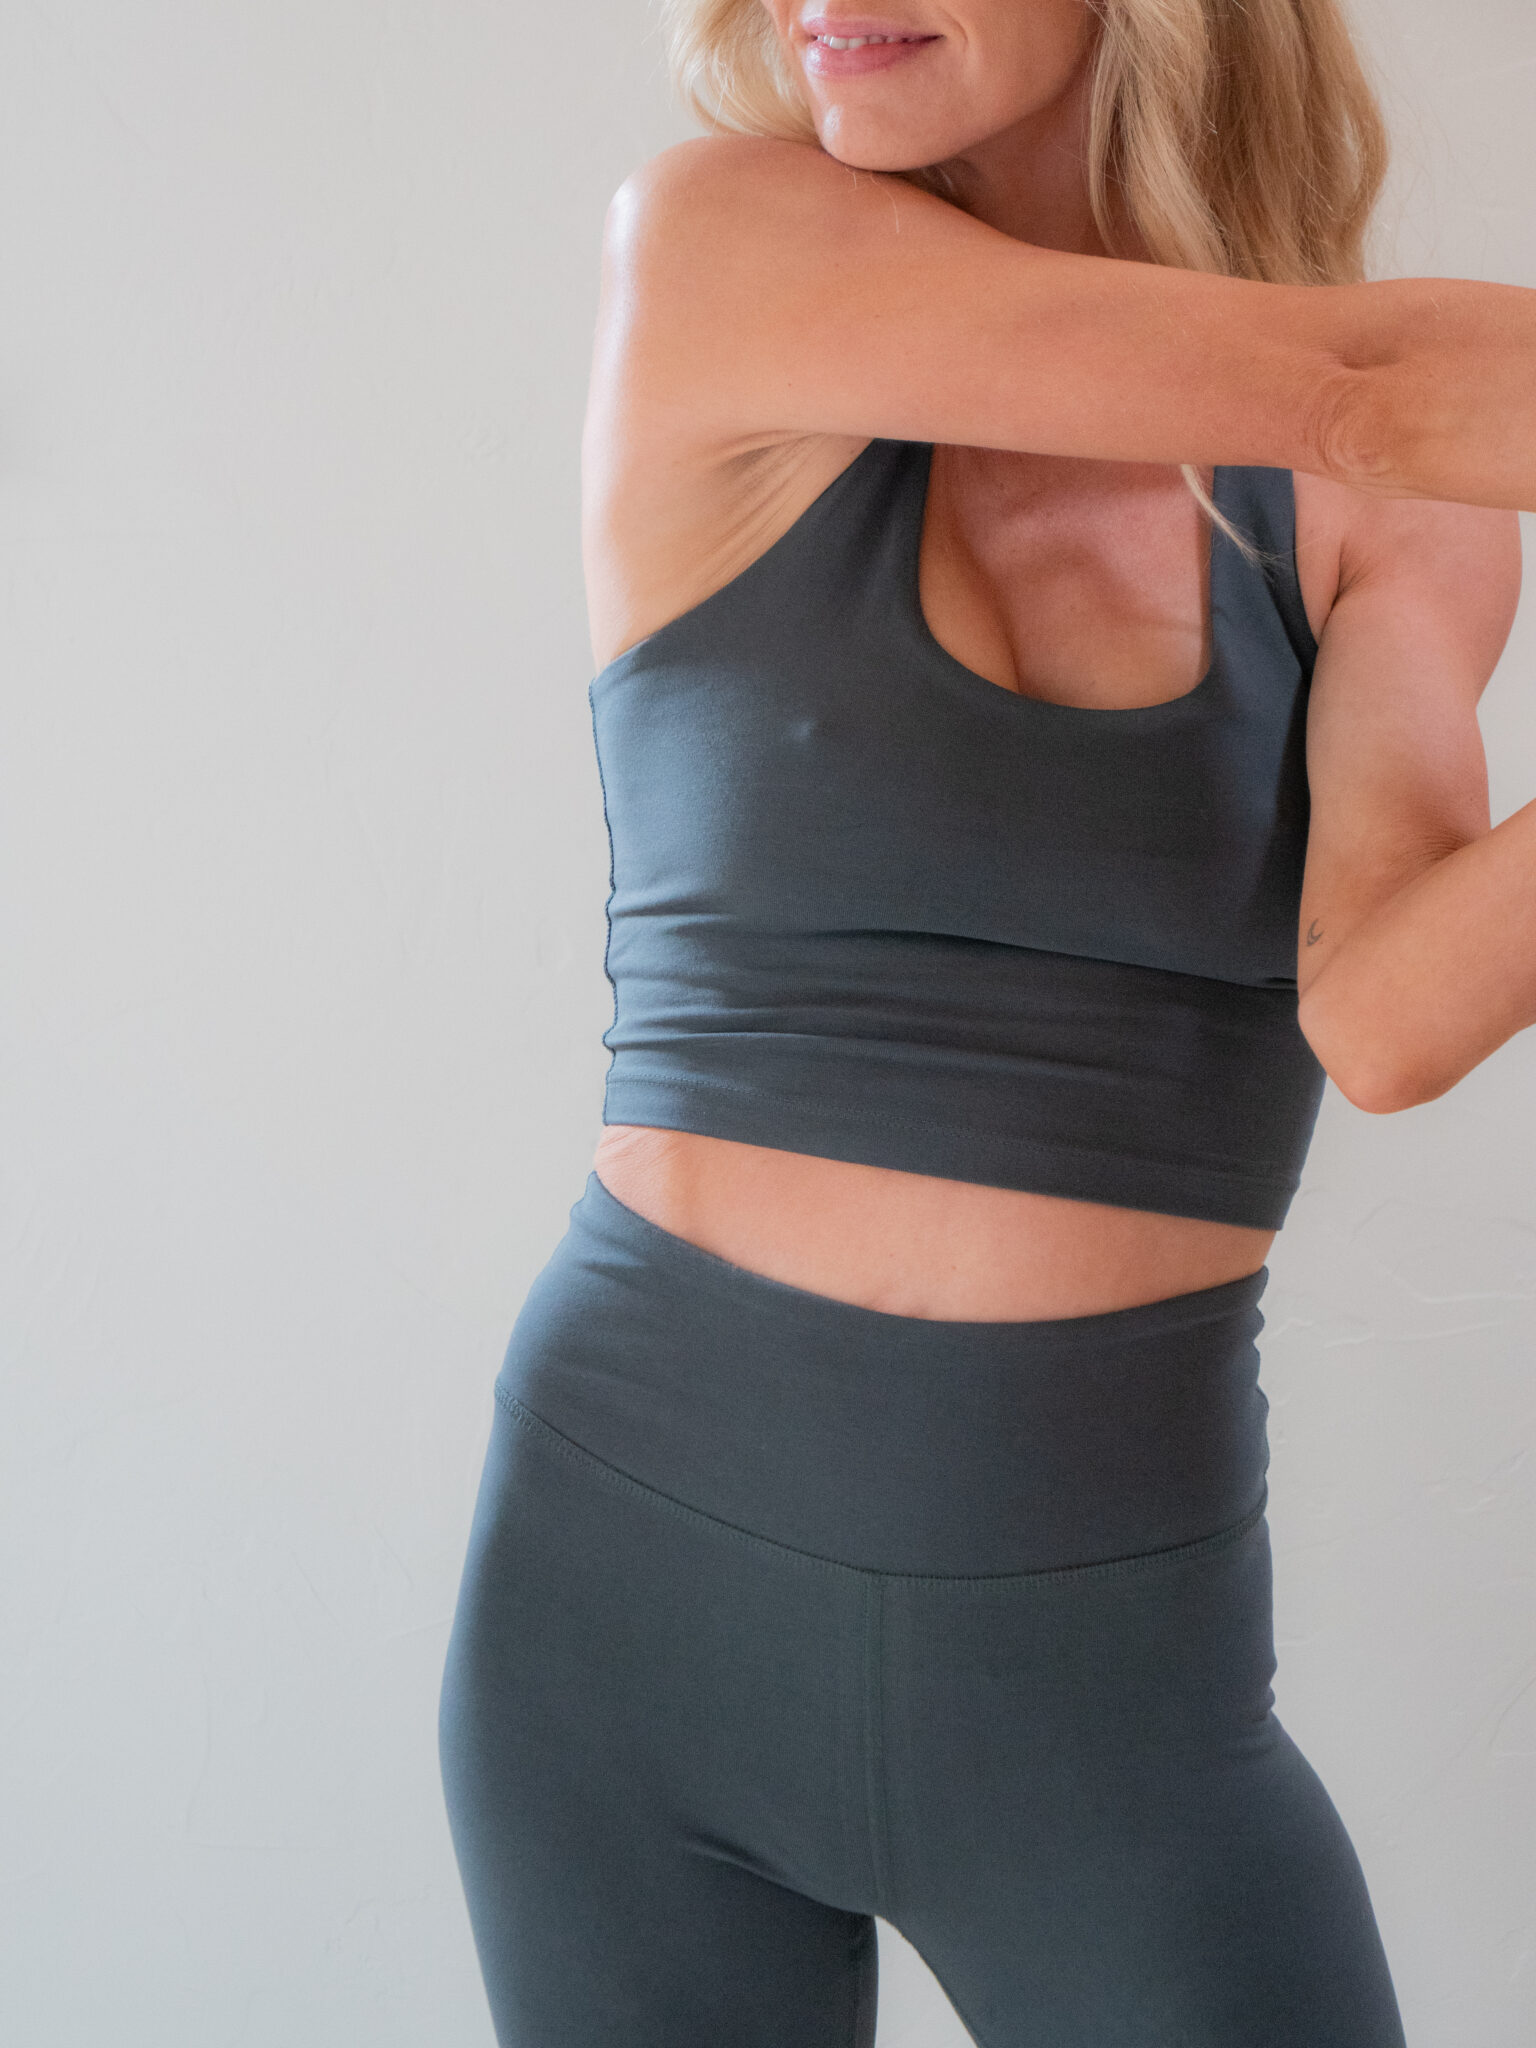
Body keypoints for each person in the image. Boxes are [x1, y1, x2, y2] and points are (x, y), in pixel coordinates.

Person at [439, 4, 1536, 2042]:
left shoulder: (1392, 507)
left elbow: (1386, 1018)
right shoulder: (723, 248)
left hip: (1106, 1682)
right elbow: (1366, 386)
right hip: (622, 1614)